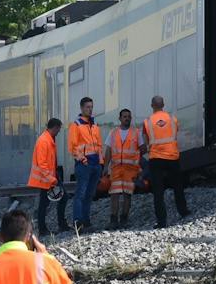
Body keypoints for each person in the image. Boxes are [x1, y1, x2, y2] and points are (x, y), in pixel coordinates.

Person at [142, 96, 190, 225]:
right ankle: (183, 211)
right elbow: (175, 132)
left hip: (156, 158)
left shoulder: (147, 121)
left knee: (158, 191)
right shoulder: (172, 118)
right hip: (172, 156)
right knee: (178, 186)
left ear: (152, 105)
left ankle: (162, 221)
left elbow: (146, 140)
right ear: (163, 104)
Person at [66, 97, 105, 231]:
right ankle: (78, 222)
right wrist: (83, 160)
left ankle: (86, 221)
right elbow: (72, 147)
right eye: (88, 107)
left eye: (91, 107)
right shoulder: (76, 125)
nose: (90, 109)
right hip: (84, 165)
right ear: (82, 108)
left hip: (95, 164)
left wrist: (101, 163)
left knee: (89, 195)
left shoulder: (94, 125)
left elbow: (99, 145)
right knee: (81, 194)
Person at [27, 118, 67, 237]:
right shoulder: (44, 141)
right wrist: (52, 179)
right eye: (58, 129)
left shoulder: (47, 139)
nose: (59, 132)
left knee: (47, 203)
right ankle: (46, 228)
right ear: (54, 127)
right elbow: (42, 163)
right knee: (46, 204)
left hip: (48, 178)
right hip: (46, 179)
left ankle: (49, 227)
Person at [105, 109, 142, 230]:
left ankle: (124, 219)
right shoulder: (113, 133)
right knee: (114, 194)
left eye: (129, 116)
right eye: (125, 116)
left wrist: (138, 160)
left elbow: (143, 148)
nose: (127, 118)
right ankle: (113, 219)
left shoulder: (136, 132)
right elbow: (109, 150)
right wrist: (105, 167)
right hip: (116, 168)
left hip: (130, 169)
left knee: (127, 194)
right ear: (120, 118)